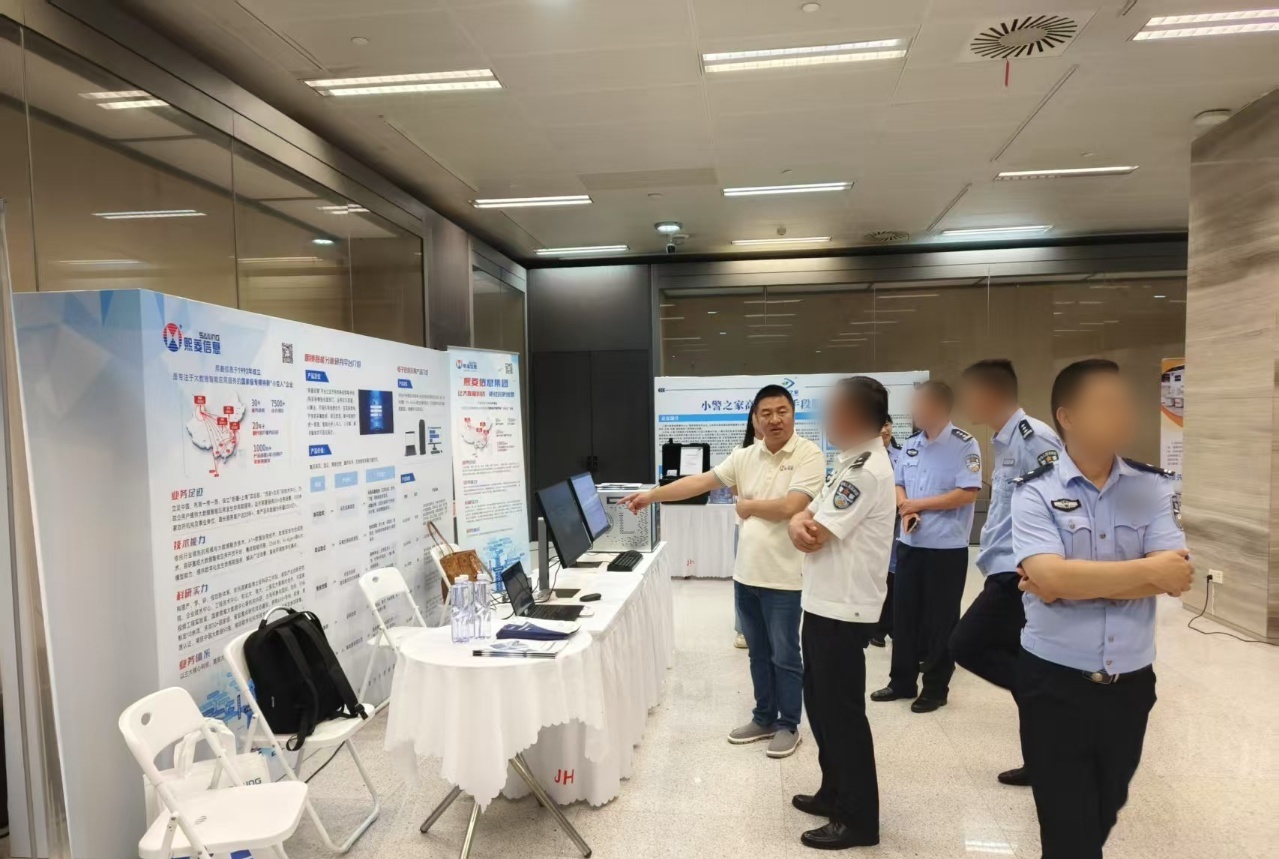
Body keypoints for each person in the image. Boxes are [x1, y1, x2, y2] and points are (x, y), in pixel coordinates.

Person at [1012, 359, 1191, 859]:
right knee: (1067, 830)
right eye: (1106, 404)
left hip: (1130, 685)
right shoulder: (1035, 490)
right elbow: (1048, 576)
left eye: (1124, 404)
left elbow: (1176, 576)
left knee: (1105, 810)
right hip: (1054, 683)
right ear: (1067, 417)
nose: (1122, 415)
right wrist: (1144, 573)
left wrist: (1068, 580)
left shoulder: (1152, 487)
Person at [623, 384, 824, 757]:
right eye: (766, 413)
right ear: (756, 419)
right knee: (757, 652)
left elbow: (792, 505)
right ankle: (764, 717)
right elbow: (700, 482)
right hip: (746, 575)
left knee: (785, 654)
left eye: (782, 411)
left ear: (793, 414)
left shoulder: (809, 454)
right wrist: (651, 495)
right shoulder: (744, 456)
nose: (775, 419)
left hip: (786, 577)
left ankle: (788, 724)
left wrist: (748, 506)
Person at [786, 377, 896, 850]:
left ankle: (858, 819)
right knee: (821, 705)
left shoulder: (865, 470)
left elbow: (816, 530)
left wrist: (799, 523)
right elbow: (805, 515)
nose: (826, 419)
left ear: (852, 417)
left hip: (842, 608)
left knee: (841, 714)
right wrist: (797, 521)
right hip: (826, 601)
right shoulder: (851, 460)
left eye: (833, 411)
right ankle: (834, 791)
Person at [950, 360, 1062, 787]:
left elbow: (1064, 504)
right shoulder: (1004, 440)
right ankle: (1043, 760)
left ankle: (1054, 701)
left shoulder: (1035, 437)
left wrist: (1044, 566)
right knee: (1021, 660)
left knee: (966, 644)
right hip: (1002, 567)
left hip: (1018, 572)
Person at [871, 381, 980, 713]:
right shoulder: (912, 445)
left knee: (939, 620)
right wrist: (906, 507)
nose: (914, 410)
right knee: (904, 616)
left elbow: (967, 493)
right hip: (910, 544)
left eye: (920, 404)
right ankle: (901, 681)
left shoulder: (964, 444)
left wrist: (920, 504)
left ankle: (935, 688)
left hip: (945, 549)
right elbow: (899, 484)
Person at [869, 419, 902, 648]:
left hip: (899, 523)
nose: (884, 429)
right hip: (875, 524)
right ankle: (877, 627)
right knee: (877, 575)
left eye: (888, 424)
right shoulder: (867, 457)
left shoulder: (903, 455)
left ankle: (894, 626)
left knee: (895, 574)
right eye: (880, 425)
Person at [734, 415, 762, 649]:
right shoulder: (740, 451)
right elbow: (733, 487)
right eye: (763, 414)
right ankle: (742, 629)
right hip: (744, 524)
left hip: (774, 525)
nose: (770, 420)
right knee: (743, 579)